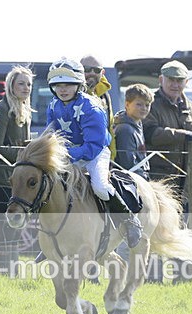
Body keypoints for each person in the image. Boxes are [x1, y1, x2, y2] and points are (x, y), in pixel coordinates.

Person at [46, 57, 141, 248]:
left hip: (95, 154)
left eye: (68, 84)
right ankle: (52, 235)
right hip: (69, 154)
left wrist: (68, 155)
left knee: (100, 186)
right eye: (58, 85)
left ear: (79, 84)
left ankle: (129, 220)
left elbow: (93, 146)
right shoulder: (53, 106)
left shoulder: (92, 107)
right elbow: (50, 134)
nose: (62, 89)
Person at [143, 60, 192, 201]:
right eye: (171, 80)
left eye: (180, 80)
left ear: (186, 82)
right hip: (159, 184)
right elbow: (151, 134)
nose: (175, 85)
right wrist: (185, 135)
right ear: (161, 80)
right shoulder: (150, 103)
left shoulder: (191, 107)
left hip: (188, 184)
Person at [0, 66, 33, 275]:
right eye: (21, 83)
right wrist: (24, 152)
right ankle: (3, 267)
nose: (26, 87)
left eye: (29, 84)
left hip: (17, 177)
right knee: (10, 223)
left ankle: (10, 268)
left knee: (18, 223)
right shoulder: (3, 108)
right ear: (11, 85)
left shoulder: (25, 108)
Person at [113, 83, 153, 179]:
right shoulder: (125, 129)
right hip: (131, 181)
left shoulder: (137, 124)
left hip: (141, 177)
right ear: (127, 104)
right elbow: (128, 165)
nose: (144, 108)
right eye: (139, 104)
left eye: (147, 105)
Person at [80, 55, 115, 157]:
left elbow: (110, 130)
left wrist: (111, 158)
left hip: (102, 159)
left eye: (96, 70)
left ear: (102, 73)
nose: (92, 73)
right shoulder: (71, 95)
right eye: (86, 69)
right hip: (78, 159)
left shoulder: (105, 96)